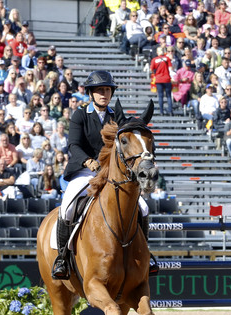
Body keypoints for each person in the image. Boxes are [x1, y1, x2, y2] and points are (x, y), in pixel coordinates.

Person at [52, 70, 156, 280]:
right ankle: (62, 257)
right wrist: (88, 161)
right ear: (91, 93)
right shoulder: (80, 114)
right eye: (99, 90)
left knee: (143, 207)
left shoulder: (115, 117)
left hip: (109, 173)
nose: (104, 94)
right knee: (68, 207)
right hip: (84, 171)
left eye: (107, 90)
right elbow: (73, 144)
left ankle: (144, 254)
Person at [150, 47, 173, 116]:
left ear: (157, 52)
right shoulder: (167, 58)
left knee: (160, 96)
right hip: (167, 79)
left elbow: (151, 69)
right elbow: (171, 68)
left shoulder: (154, 60)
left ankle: (161, 111)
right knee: (168, 96)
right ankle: (170, 111)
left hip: (159, 79)